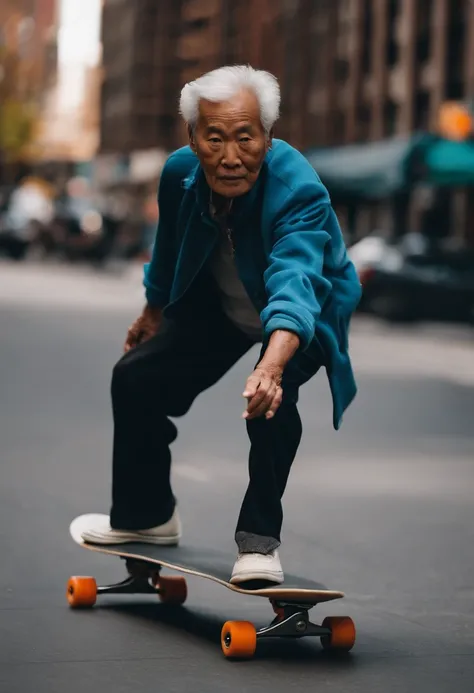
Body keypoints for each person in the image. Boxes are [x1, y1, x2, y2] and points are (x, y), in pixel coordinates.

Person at [76, 65, 362, 585]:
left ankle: (259, 544)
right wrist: (153, 309)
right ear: (193, 138)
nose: (230, 157)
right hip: (226, 307)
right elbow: (170, 248)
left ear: (268, 137)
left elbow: (296, 278)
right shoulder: (178, 175)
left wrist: (272, 367)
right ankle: (147, 517)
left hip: (303, 312)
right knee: (135, 377)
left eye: (245, 138)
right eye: (214, 139)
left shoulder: (299, 188)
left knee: (271, 404)